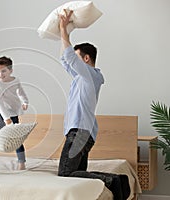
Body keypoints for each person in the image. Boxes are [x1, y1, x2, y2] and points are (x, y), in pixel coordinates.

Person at [57, 10, 104, 177]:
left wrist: (63, 29)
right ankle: (113, 182)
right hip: (83, 133)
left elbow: (69, 57)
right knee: (77, 175)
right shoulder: (83, 78)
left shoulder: (90, 75)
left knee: (66, 174)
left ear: (86, 59)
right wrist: (65, 31)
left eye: (78, 59)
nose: (74, 64)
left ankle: (111, 180)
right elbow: (65, 60)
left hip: (79, 132)